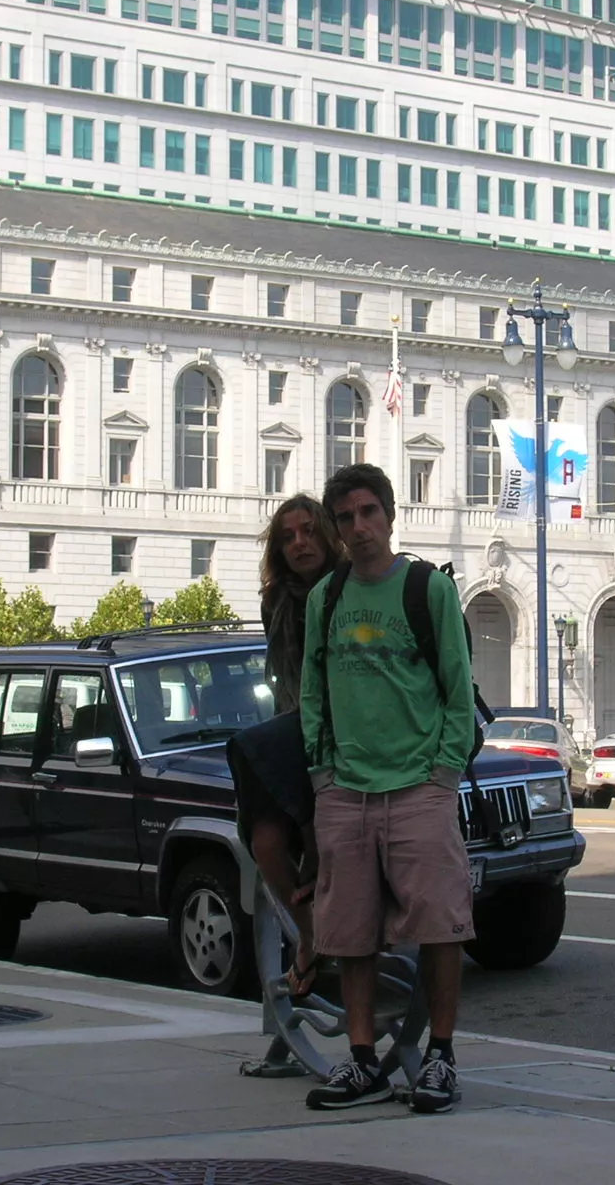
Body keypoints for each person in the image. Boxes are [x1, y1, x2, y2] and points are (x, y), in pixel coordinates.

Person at [300, 463, 476, 1115]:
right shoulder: (326, 599)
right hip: (345, 790)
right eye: (346, 518)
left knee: (441, 926)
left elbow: (457, 689)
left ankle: (441, 1056)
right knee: (349, 933)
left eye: (368, 512)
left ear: (390, 514)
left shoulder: (428, 589)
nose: (359, 528)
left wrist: (444, 772)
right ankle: (362, 1059)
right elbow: (312, 691)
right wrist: (322, 773)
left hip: (418, 787)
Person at [246, 494, 343, 999]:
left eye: (308, 531)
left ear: (326, 533)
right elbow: (284, 677)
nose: (300, 543)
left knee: (327, 840)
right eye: (288, 537)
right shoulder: (276, 601)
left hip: (344, 734)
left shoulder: (350, 588)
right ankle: (309, 936)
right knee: (265, 840)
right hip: (294, 727)